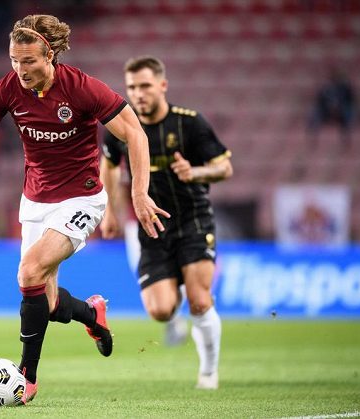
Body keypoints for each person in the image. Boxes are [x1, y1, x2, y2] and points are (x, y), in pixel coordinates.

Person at [0, 15, 169, 404]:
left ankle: (27, 376)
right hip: (35, 202)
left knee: (28, 272)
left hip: (81, 199)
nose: (20, 70)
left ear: (52, 55)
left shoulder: (81, 89)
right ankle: (93, 316)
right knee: (49, 300)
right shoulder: (7, 89)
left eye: (29, 61)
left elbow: (135, 134)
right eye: (14, 60)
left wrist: (139, 194)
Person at [100, 56, 233, 390]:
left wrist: (196, 171)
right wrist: (111, 212)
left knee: (200, 299)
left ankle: (208, 371)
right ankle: (174, 314)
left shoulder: (190, 123)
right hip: (151, 228)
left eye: (145, 85)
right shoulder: (121, 127)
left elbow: (224, 168)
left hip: (193, 220)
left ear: (162, 85)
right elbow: (110, 166)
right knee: (160, 310)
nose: (138, 93)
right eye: (132, 87)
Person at [307, 67, 355, 146]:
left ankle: (346, 138)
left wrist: (339, 106)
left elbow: (351, 100)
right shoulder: (325, 89)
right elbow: (319, 101)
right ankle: (312, 139)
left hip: (342, 110)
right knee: (314, 114)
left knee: (347, 112)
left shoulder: (345, 88)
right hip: (326, 110)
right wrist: (329, 106)